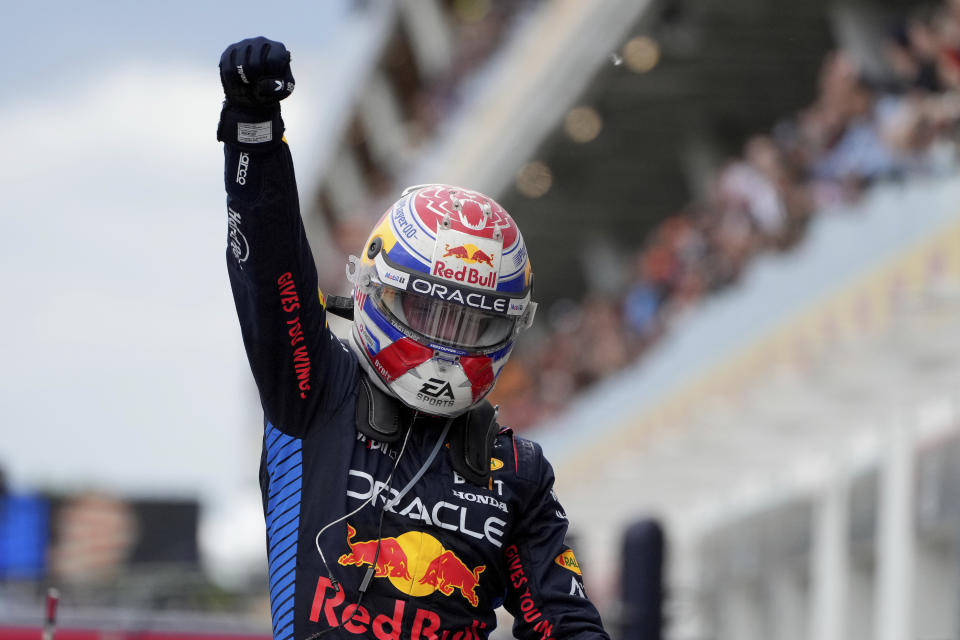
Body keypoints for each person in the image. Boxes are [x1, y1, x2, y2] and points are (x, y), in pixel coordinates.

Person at [217, 37, 610, 639]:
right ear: (376, 291)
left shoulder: (518, 472)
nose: (448, 344)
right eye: (428, 310)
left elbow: (568, 623)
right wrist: (254, 129)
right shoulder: (313, 395)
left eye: (473, 322)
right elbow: (270, 271)